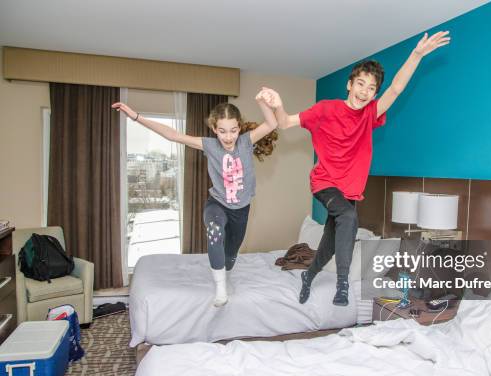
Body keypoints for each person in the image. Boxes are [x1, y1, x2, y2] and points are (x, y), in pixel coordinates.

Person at [261, 31, 451, 306]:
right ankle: (342, 285)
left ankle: (308, 276)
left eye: (371, 88)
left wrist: (417, 54)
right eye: (360, 84)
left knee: (328, 244)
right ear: (349, 85)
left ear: (374, 93)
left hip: (348, 188)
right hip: (324, 182)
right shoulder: (326, 109)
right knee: (349, 218)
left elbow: (396, 89)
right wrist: (278, 106)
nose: (364, 91)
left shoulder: (369, 114)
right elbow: (285, 123)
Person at [112, 91, 277, 306]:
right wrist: (136, 117)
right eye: (222, 131)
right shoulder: (209, 145)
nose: (228, 137)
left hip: (241, 210)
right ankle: (221, 291)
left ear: (239, 127)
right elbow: (173, 135)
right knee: (214, 231)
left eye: (233, 131)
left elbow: (271, 123)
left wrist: (261, 102)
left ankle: (225, 274)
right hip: (217, 204)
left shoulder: (246, 141)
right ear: (214, 129)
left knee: (230, 256)